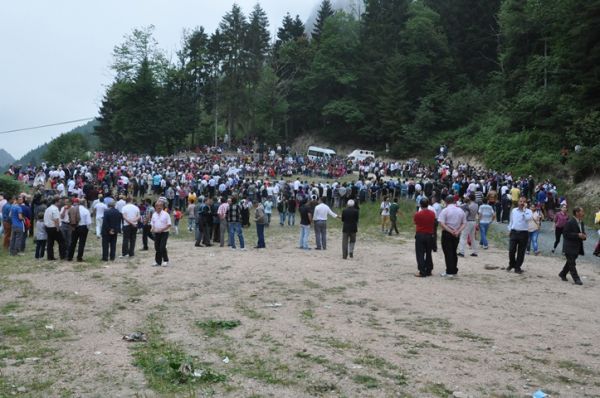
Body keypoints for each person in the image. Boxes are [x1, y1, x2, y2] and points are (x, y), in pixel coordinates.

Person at [438, 195, 466, 277]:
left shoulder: (445, 210)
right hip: (456, 233)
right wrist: (458, 231)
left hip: (447, 233)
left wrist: (450, 231)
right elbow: (464, 223)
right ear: (454, 201)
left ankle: (449, 271)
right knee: (453, 251)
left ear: (446, 202)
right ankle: (454, 270)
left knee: (448, 252)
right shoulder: (460, 210)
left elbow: (442, 223)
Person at [559, 206, 587, 285]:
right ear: (577, 213)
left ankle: (562, 274)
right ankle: (576, 279)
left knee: (570, 262)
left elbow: (582, 233)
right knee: (572, 263)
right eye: (582, 211)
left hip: (577, 246)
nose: (583, 213)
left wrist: (584, 236)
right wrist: (577, 235)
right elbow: (565, 234)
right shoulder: (570, 222)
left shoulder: (581, 222)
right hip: (569, 246)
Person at [507, 196, 532, 274]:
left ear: (526, 203)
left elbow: (528, 219)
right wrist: (509, 229)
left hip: (523, 233)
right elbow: (511, 221)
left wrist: (524, 210)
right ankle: (512, 264)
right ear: (518, 202)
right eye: (520, 201)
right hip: (514, 232)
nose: (522, 203)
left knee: (521, 252)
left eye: (523, 202)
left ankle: (517, 267)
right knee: (511, 250)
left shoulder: (528, 211)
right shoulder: (514, 210)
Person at [151, 200, 171, 266]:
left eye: (160, 206)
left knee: (162, 247)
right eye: (157, 206)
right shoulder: (154, 214)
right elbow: (152, 223)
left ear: (162, 206)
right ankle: (158, 262)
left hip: (164, 232)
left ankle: (165, 260)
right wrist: (152, 228)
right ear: (155, 207)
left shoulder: (166, 214)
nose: (158, 207)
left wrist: (162, 229)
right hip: (156, 233)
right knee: (157, 247)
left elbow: (169, 224)